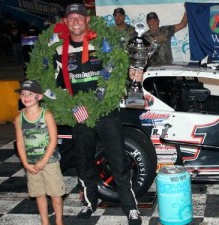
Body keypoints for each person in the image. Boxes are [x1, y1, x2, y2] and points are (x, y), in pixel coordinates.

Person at [55, 3, 142, 224]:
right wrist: (72, 106)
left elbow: (119, 73)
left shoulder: (104, 44)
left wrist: (133, 74)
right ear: (66, 22)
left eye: (79, 17)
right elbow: (55, 88)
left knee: (118, 160)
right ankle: (90, 204)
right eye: (71, 18)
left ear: (87, 21)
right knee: (84, 161)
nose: (75, 21)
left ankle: (130, 208)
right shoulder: (58, 51)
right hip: (80, 114)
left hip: (106, 112)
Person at [14, 80, 65, 225]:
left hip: (50, 162)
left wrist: (44, 161)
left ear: (39, 97)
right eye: (23, 94)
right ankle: (44, 221)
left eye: (30, 94)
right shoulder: (19, 119)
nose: (26, 97)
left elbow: (54, 140)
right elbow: (20, 143)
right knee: (39, 194)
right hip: (31, 164)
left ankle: (59, 221)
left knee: (56, 194)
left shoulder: (46, 115)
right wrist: (25, 164)